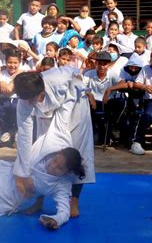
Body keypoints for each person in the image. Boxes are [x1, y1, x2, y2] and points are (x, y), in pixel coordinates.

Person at [13, 66, 95, 218]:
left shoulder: (59, 78)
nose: (29, 103)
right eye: (26, 100)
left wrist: (83, 87)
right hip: (49, 114)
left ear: (40, 91)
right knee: (40, 151)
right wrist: (24, 174)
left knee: (76, 153)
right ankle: (38, 200)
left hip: (76, 106)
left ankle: (74, 201)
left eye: (32, 99)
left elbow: (74, 71)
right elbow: (24, 136)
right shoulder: (24, 101)